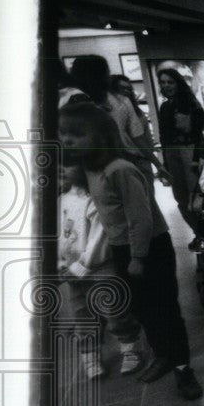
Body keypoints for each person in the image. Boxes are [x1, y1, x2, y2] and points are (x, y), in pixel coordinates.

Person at [58, 102, 203, 400]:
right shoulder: (90, 169)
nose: (67, 141)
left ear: (99, 136)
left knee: (165, 310)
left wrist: (138, 257)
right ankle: (162, 355)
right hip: (122, 249)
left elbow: (141, 218)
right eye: (63, 135)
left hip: (150, 247)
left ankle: (183, 368)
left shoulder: (119, 169)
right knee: (141, 308)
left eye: (74, 135)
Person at [58, 161, 143, 379]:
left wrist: (81, 266)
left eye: (66, 164)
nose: (61, 169)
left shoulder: (94, 198)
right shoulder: (63, 199)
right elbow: (60, 237)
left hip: (100, 268)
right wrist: (61, 263)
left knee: (115, 311)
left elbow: (99, 238)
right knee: (82, 315)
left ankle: (129, 348)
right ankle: (90, 354)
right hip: (73, 271)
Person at [69, 55, 160, 187]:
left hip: (103, 169)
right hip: (119, 164)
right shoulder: (119, 101)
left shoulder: (73, 105)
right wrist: (157, 163)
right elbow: (137, 137)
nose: (108, 76)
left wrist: (156, 163)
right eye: (106, 72)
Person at [156, 67, 204, 249]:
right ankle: (199, 233)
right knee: (180, 198)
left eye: (170, 82)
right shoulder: (164, 106)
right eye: (163, 82)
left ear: (178, 83)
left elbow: (202, 134)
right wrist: (164, 163)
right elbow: (163, 136)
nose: (166, 86)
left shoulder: (192, 104)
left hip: (190, 152)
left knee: (197, 197)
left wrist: (197, 157)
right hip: (172, 154)